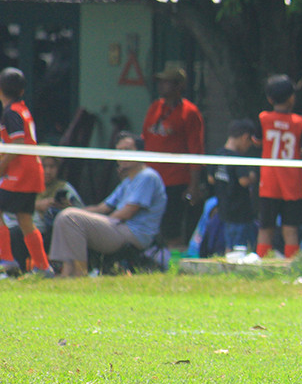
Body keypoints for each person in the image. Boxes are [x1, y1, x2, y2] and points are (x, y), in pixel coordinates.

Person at [49, 132, 166, 278]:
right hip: (118, 227)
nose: (122, 155)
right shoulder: (128, 181)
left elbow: (127, 213)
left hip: (133, 234)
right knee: (65, 215)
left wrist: (96, 221)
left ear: (140, 152)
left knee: (71, 218)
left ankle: (80, 273)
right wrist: (76, 210)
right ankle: (66, 270)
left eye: (127, 150)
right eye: (119, 151)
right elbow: (102, 208)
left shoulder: (147, 176)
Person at [141, 65, 205, 248]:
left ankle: (175, 266)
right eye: (160, 82)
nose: (161, 86)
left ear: (178, 86)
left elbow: (196, 150)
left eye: (166, 82)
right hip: (151, 177)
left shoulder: (189, 112)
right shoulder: (155, 107)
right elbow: (145, 137)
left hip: (175, 180)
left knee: (172, 227)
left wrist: (193, 185)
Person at [0, 67, 53, 276]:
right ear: (22, 91)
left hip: (20, 174)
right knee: (24, 219)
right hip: (31, 172)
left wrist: (2, 166)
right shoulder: (22, 109)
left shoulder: (11, 111)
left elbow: (18, 142)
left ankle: (6, 261)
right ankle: (43, 267)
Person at [256, 74, 302, 259]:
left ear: (269, 99)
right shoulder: (300, 123)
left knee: (266, 228)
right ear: (292, 98)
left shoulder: (263, 119)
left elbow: (256, 141)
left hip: (268, 183)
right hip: (292, 185)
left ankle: (262, 263)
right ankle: (291, 265)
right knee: (291, 230)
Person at [4, 155, 85, 267]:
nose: (48, 171)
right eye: (44, 166)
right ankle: (20, 268)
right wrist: (37, 206)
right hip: (26, 229)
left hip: (51, 232)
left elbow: (81, 213)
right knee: (15, 233)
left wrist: (67, 208)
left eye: (52, 167)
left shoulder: (64, 187)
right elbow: (8, 208)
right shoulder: (24, 185)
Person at [208, 119, 258, 251]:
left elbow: (211, 179)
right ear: (245, 137)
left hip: (224, 210)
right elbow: (244, 181)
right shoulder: (238, 159)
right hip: (240, 213)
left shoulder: (218, 155)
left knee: (228, 245)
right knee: (240, 247)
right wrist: (252, 176)